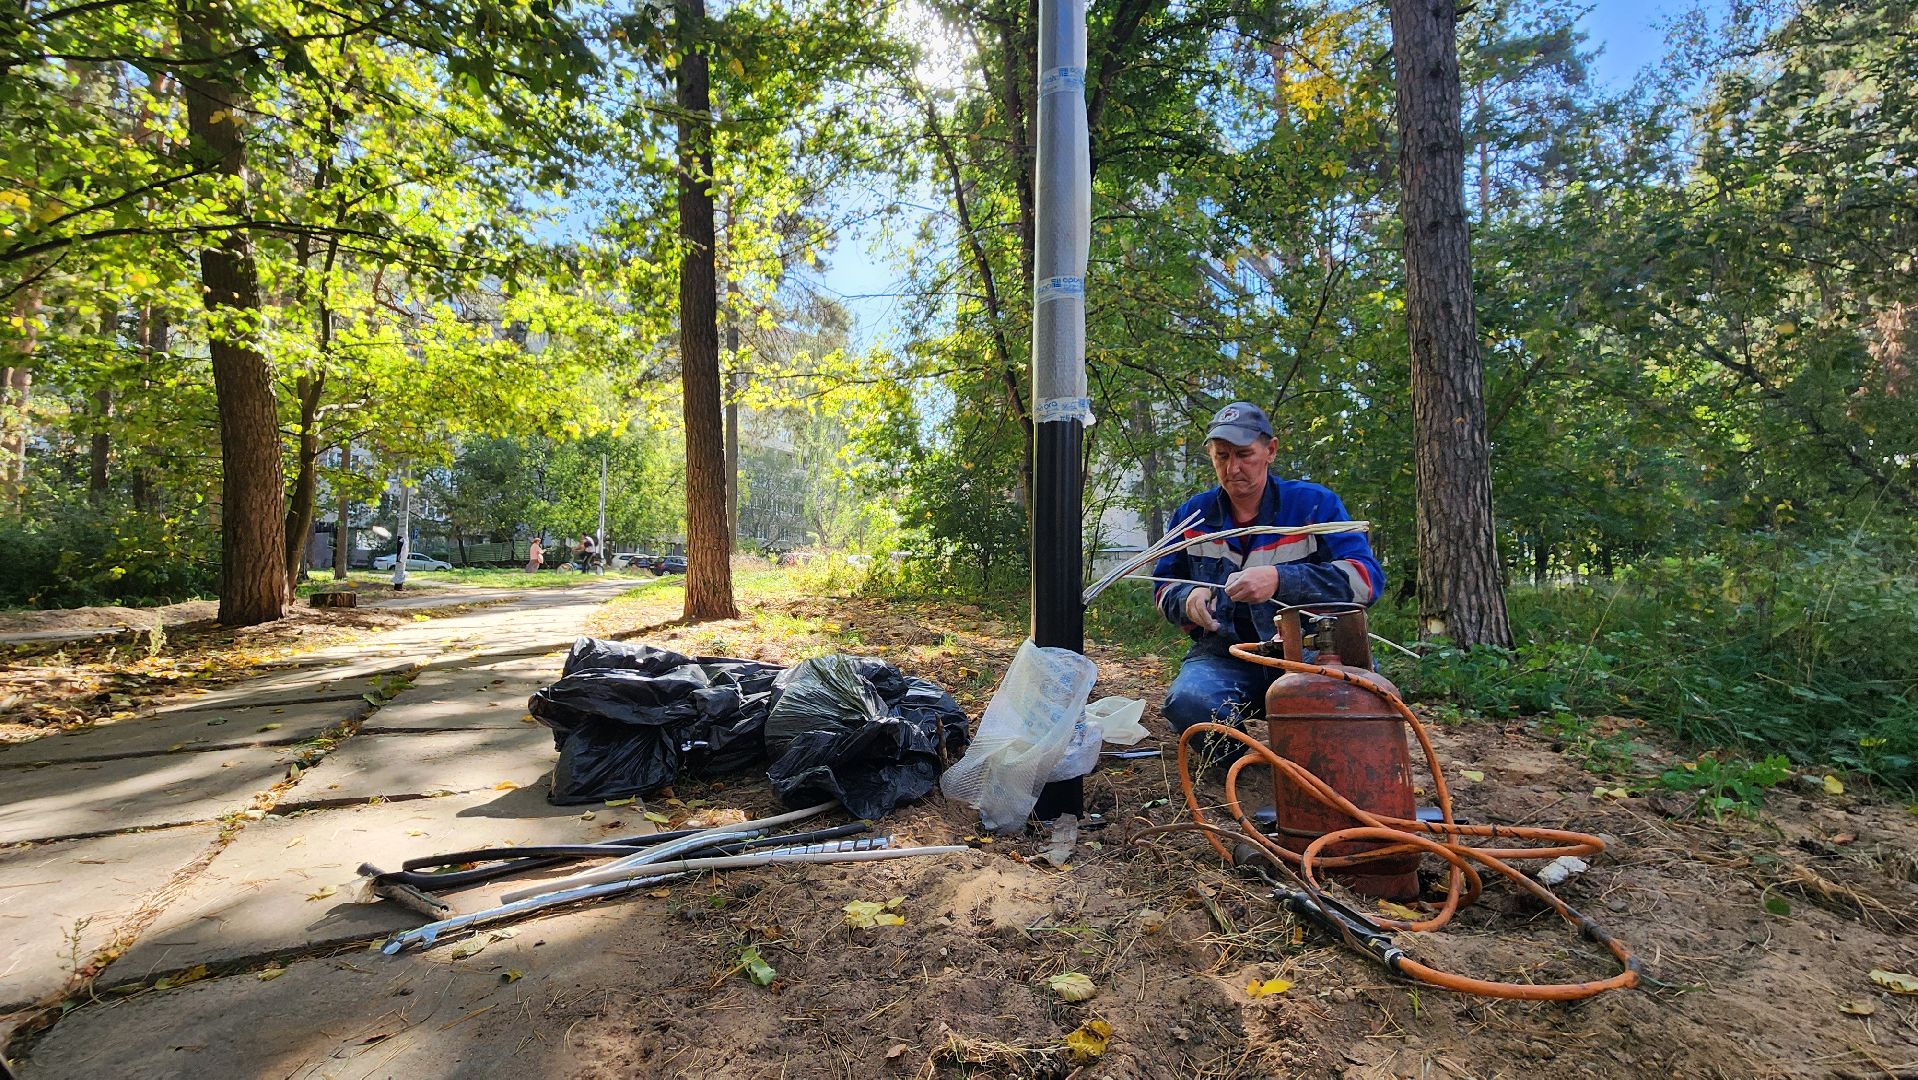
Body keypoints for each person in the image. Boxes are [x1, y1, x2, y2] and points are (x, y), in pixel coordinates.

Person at [1152, 401, 1385, 746]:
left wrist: (1280, 579)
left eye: (1244, 454)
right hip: (1225, 655)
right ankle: (1246, 767)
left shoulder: (1314, 505)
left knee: (1351, 703)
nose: (1233, 468)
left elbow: (1366, 581)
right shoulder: (1193, 517)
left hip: (1310, 651)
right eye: (1222, 456)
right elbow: (1163, 588)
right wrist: (1187, 599)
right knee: (1189, 703)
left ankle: (1303, 764)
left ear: (1270, 451)